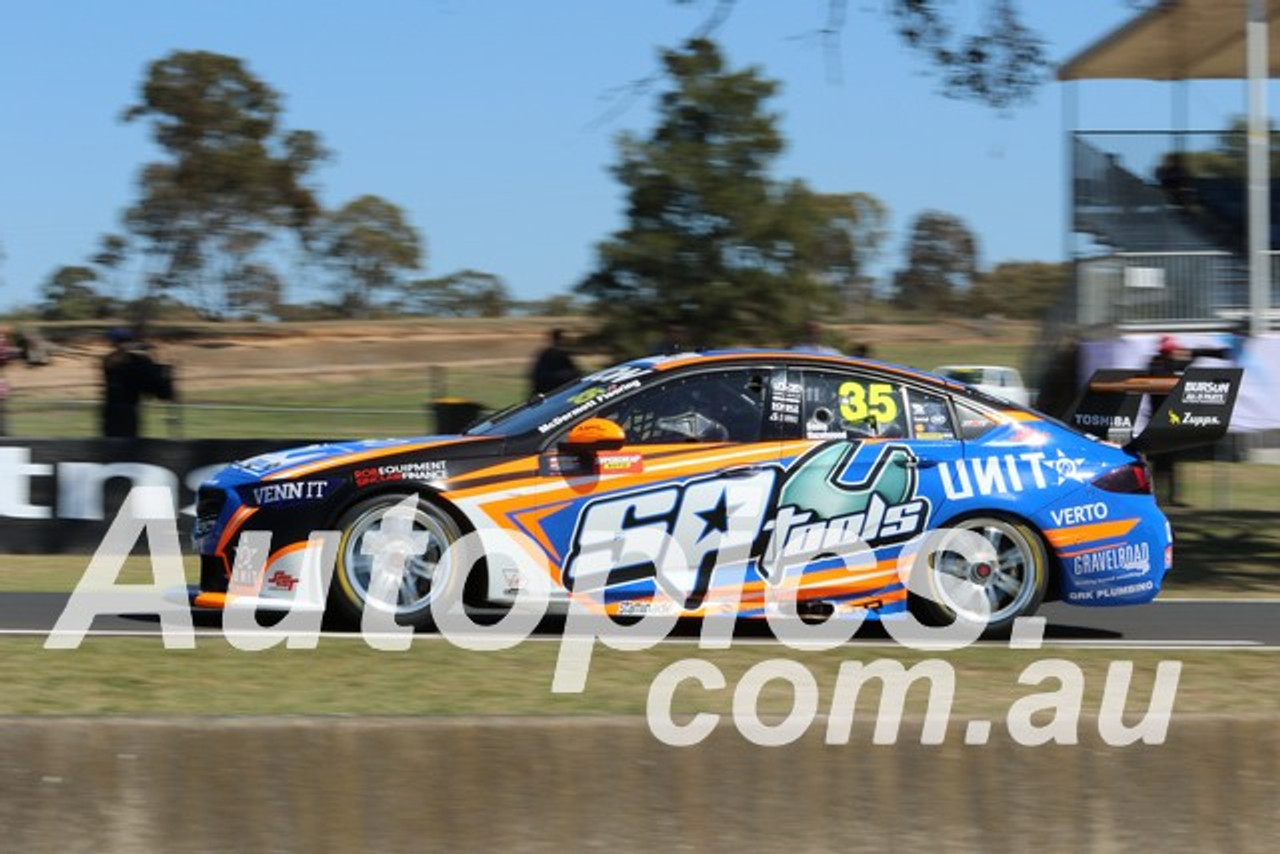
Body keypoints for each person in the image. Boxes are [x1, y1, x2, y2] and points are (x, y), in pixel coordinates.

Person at [101, 327, 175, 438]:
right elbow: (155, 386)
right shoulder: (133, 362)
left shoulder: (110, 360)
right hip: (126, 415)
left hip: (112, 415)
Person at [529, 328, 580, 395]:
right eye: (565, 339)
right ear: (559, 339)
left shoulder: (562, 354)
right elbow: (541, 377)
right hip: (550, 393)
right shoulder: (549, 355)